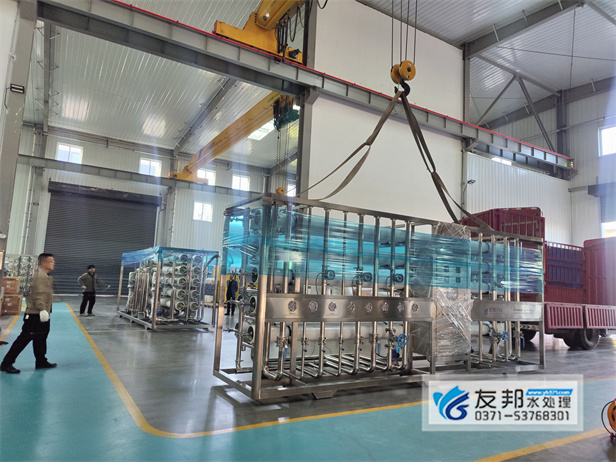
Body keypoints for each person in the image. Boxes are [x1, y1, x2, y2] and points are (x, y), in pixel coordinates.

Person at [1, 253, 57, 373]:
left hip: (41, 313)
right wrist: (42, 309)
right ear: (43, 263)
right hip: (35, 315)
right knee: (24, 339)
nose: (54, 263)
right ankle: (6, 363)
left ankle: (41, 361)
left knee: (41, 338)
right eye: (51, 261)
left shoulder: (45, 275)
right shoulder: (40, 276)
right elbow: (39, 295)